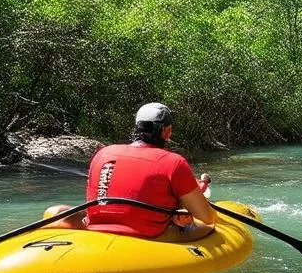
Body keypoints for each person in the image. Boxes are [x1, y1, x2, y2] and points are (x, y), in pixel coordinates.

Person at [50, 102, 217, 242]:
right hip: (147, 234)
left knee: (54, 211)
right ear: (167, 131)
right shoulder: (174, 162)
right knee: (209, 225)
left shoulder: (103, 153)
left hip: (96, 227)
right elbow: (207, 216)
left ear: (137, 128)